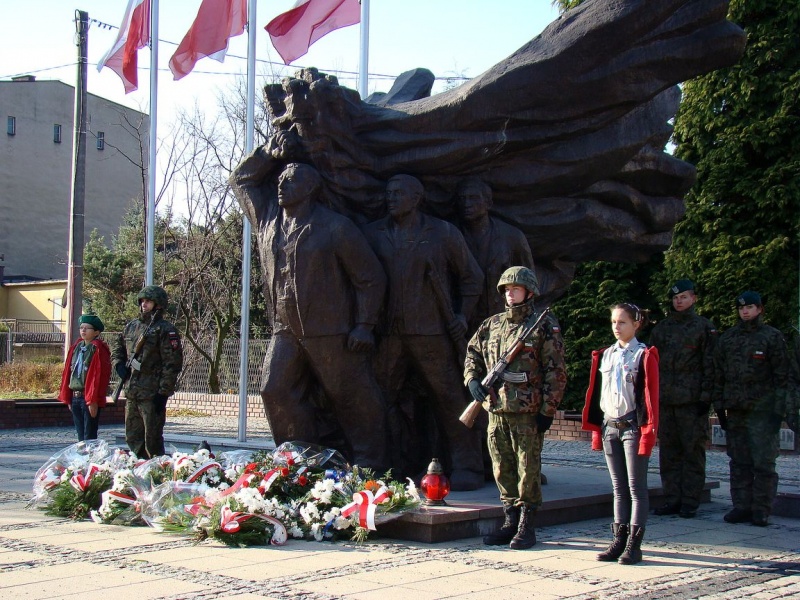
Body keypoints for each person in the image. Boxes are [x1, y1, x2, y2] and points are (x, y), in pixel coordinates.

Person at [229, 159, 389, 472]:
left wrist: (364, 325)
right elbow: (240, 181)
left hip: (330, 328)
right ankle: (301, 462)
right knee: (274, 389)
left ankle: (373, 465)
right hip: (284, 327)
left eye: (290, 180)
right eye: (280, 180)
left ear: (311, 188)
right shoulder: (267, 223)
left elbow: (370, 278)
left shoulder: (335, 226)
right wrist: (270, 150)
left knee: (350, 396)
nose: (281, 185)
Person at [364, 174, 485, 490]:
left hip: (431, 333)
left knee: (450, 399)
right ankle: (380, 465)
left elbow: (472, 277)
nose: (391, 198)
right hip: (388, 334)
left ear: (417, 197)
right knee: (379, 400)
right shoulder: (373, 234)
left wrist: (463, 315)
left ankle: (468, 466)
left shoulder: (443, 233)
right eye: (389, 192)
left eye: (399, 193)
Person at [464, 266, 567, 549]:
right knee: (501, 467)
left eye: (516, 289)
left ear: (529, 292)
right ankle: (509, 520)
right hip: (496, 409)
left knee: (527, 468)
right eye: (507, 290)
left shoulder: (543, 324)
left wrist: (548, 409)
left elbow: (555, 371)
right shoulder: (491, 324)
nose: (510, 294)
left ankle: (527, 524)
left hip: (527, 411)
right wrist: (472, 379)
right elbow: (472, 353)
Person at [582, 303, 659, 565]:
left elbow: (650, 398)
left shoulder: (644, 354)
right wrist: (598, 429)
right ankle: (618, 539)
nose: (617, 327)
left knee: (636, 487)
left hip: (632, 427)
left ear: (636, 324)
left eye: (622, 322)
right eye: (614, 322)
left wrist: (648, 432)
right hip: (610, 426)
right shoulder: (606, 354)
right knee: (618, 488)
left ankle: (634, 545)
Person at [713, 291, 790, 527]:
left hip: (763, 414)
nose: (745, 311)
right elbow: (719, 374)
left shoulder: (772, 337)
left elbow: (782, 377)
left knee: (764, 463)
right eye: (741, 308)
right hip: (736, 410)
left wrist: (779, 410)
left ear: (760, 309)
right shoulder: (728, 338)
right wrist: (720, 408)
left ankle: (762, 509)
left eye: (750, 307)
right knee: (739, 461)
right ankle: (741, 506)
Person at [649, 279, 717, 518]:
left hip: (692, 402)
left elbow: (710, 365)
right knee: (669, 453)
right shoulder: (661, 329)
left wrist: (705, 398)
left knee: (693, 453)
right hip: (666, 401)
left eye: (684, 297)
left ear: (694, 299)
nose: (679, 301)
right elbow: (651, 365)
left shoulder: (704, 328)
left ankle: (690, 501)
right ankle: (672, 499)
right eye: (676, 298)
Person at [455, 177, 535, 332]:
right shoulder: (449, 236)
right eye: (462, 199)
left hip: (504, 320)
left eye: (473, 198)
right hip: (462, 322)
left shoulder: (512, 237)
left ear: (488, 203)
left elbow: (529, 280)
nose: (467, 203)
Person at [112, 285, 183, 459]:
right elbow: (117, 348)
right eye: (142, 301)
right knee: (132, 437)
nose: (144, 304)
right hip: (132, 392)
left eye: (149, 301)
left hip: (152, 394)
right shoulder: (131, 327)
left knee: (152, 439)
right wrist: (118, 365)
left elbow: (172, 364)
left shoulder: (166, 330)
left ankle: (156, 473)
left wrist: (163, 393)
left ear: (158, 304)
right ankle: (137, 469)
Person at [58, 314, 112, 441]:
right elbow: (69, 373)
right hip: (75, 396)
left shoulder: (98, 349)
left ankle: (89, 459)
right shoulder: (76, 348)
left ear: (96, 332)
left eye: (87, 328)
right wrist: (68, 397)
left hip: (88, 397)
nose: (83, 330)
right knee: (80, 436)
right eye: (81, 328)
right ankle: (82, 458)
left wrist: (93, 400)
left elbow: (98, 377)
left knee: (89, 435)